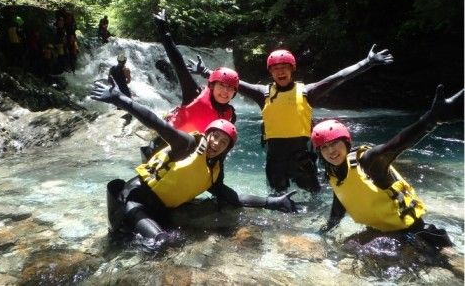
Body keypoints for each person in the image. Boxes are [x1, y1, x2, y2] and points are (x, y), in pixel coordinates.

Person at [90, 81, 301, 249]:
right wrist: (120, 99)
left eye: (223, 141)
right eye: (214, 136)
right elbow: (156, 122)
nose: (216, 143)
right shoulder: (188, 144)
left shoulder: (213, 172)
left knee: (177, 239)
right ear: (207, 135)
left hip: (158, 209)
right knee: (163, 243)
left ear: (228, 148)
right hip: (131, 202)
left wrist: (270, 202)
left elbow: (231, 196)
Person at [188, 45, 394, 195]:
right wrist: (205, 72)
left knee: (314, 196)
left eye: (284, 67)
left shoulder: (307, 92)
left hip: (303, 158)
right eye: (275, 68)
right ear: (271, 72)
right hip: (274, 160)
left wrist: (367, 62)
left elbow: (338, 77)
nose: (280, 71)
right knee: (277, 198)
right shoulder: (263, 94)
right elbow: (233, 83)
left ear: (292, 69)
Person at [310, 85, 463, 248]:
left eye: (335, 143)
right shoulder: (333, 173)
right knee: (347, 247)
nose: (331, 151)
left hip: (417, 234)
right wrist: (325, 230)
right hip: (384, 235)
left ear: (346, 143)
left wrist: (432, 119)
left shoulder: (368, 161)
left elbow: (397, 144)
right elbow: (341, 202)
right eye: (324, 147)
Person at [142, 9, 239, 160]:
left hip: (192, 156)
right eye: (222, 86)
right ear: (212, 86)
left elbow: (223, 145)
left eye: (230, 88)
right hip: (163, 149)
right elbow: (178, 63)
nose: (225, 91)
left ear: (234, 93)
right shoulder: (194, 94)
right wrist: (164, 31)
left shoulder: (230, 115)